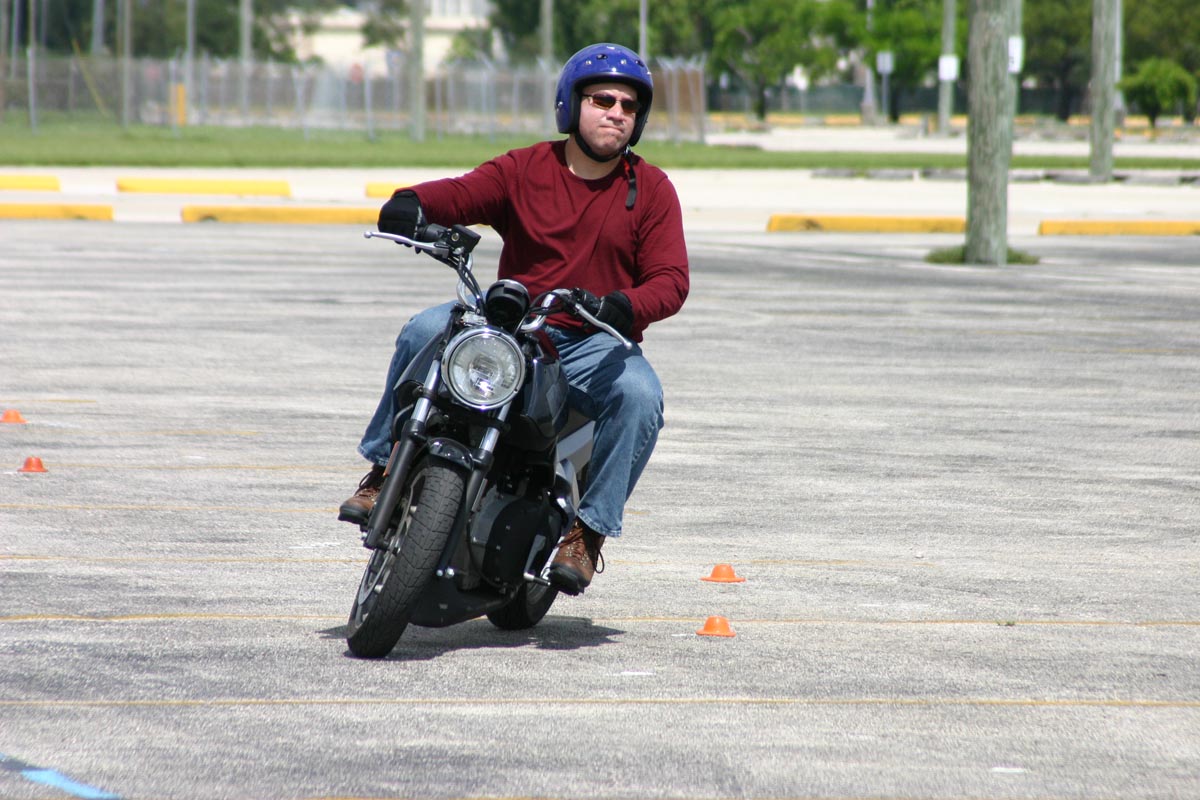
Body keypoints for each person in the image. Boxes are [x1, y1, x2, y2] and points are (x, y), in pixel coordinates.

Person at [341, 42, 689, 596]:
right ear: (571, 103)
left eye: (629, 105)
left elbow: (670, 280)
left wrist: (623, 306)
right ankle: (386, 467)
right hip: (512, 324)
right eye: (602, 100)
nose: (616, 113)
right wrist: (413, 202)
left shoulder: (651, 190)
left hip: (591, 338)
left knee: (640, 396)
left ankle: (588, 531)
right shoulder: (526, 167)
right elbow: (464, 193)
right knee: (424, 329)